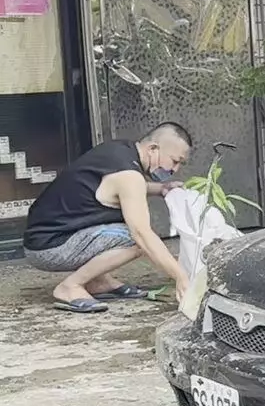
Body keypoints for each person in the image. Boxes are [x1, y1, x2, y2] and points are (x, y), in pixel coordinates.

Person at [24, 122, 193, 313]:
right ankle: (70, 287)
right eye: (174, 161)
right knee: (136, 239)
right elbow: (141, 233)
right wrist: (181, 277)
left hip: (44, 238)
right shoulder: (129, 176)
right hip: (49, 248)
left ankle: (98, 282)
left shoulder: (120, 151)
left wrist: (162, 188)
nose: (175, 169)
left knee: (129, 224)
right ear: (153, 149)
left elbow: (121, 190)